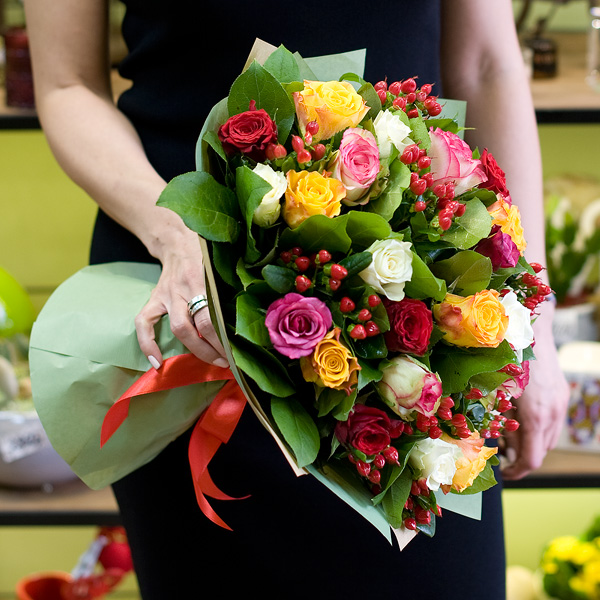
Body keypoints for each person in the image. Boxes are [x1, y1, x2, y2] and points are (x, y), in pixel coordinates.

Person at [24, 0, 569, 597]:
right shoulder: (179, 263)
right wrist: (175, 235)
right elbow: (68, 84)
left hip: (417, 309)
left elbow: (488, 65)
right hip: (190, 308)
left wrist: (533, 328)